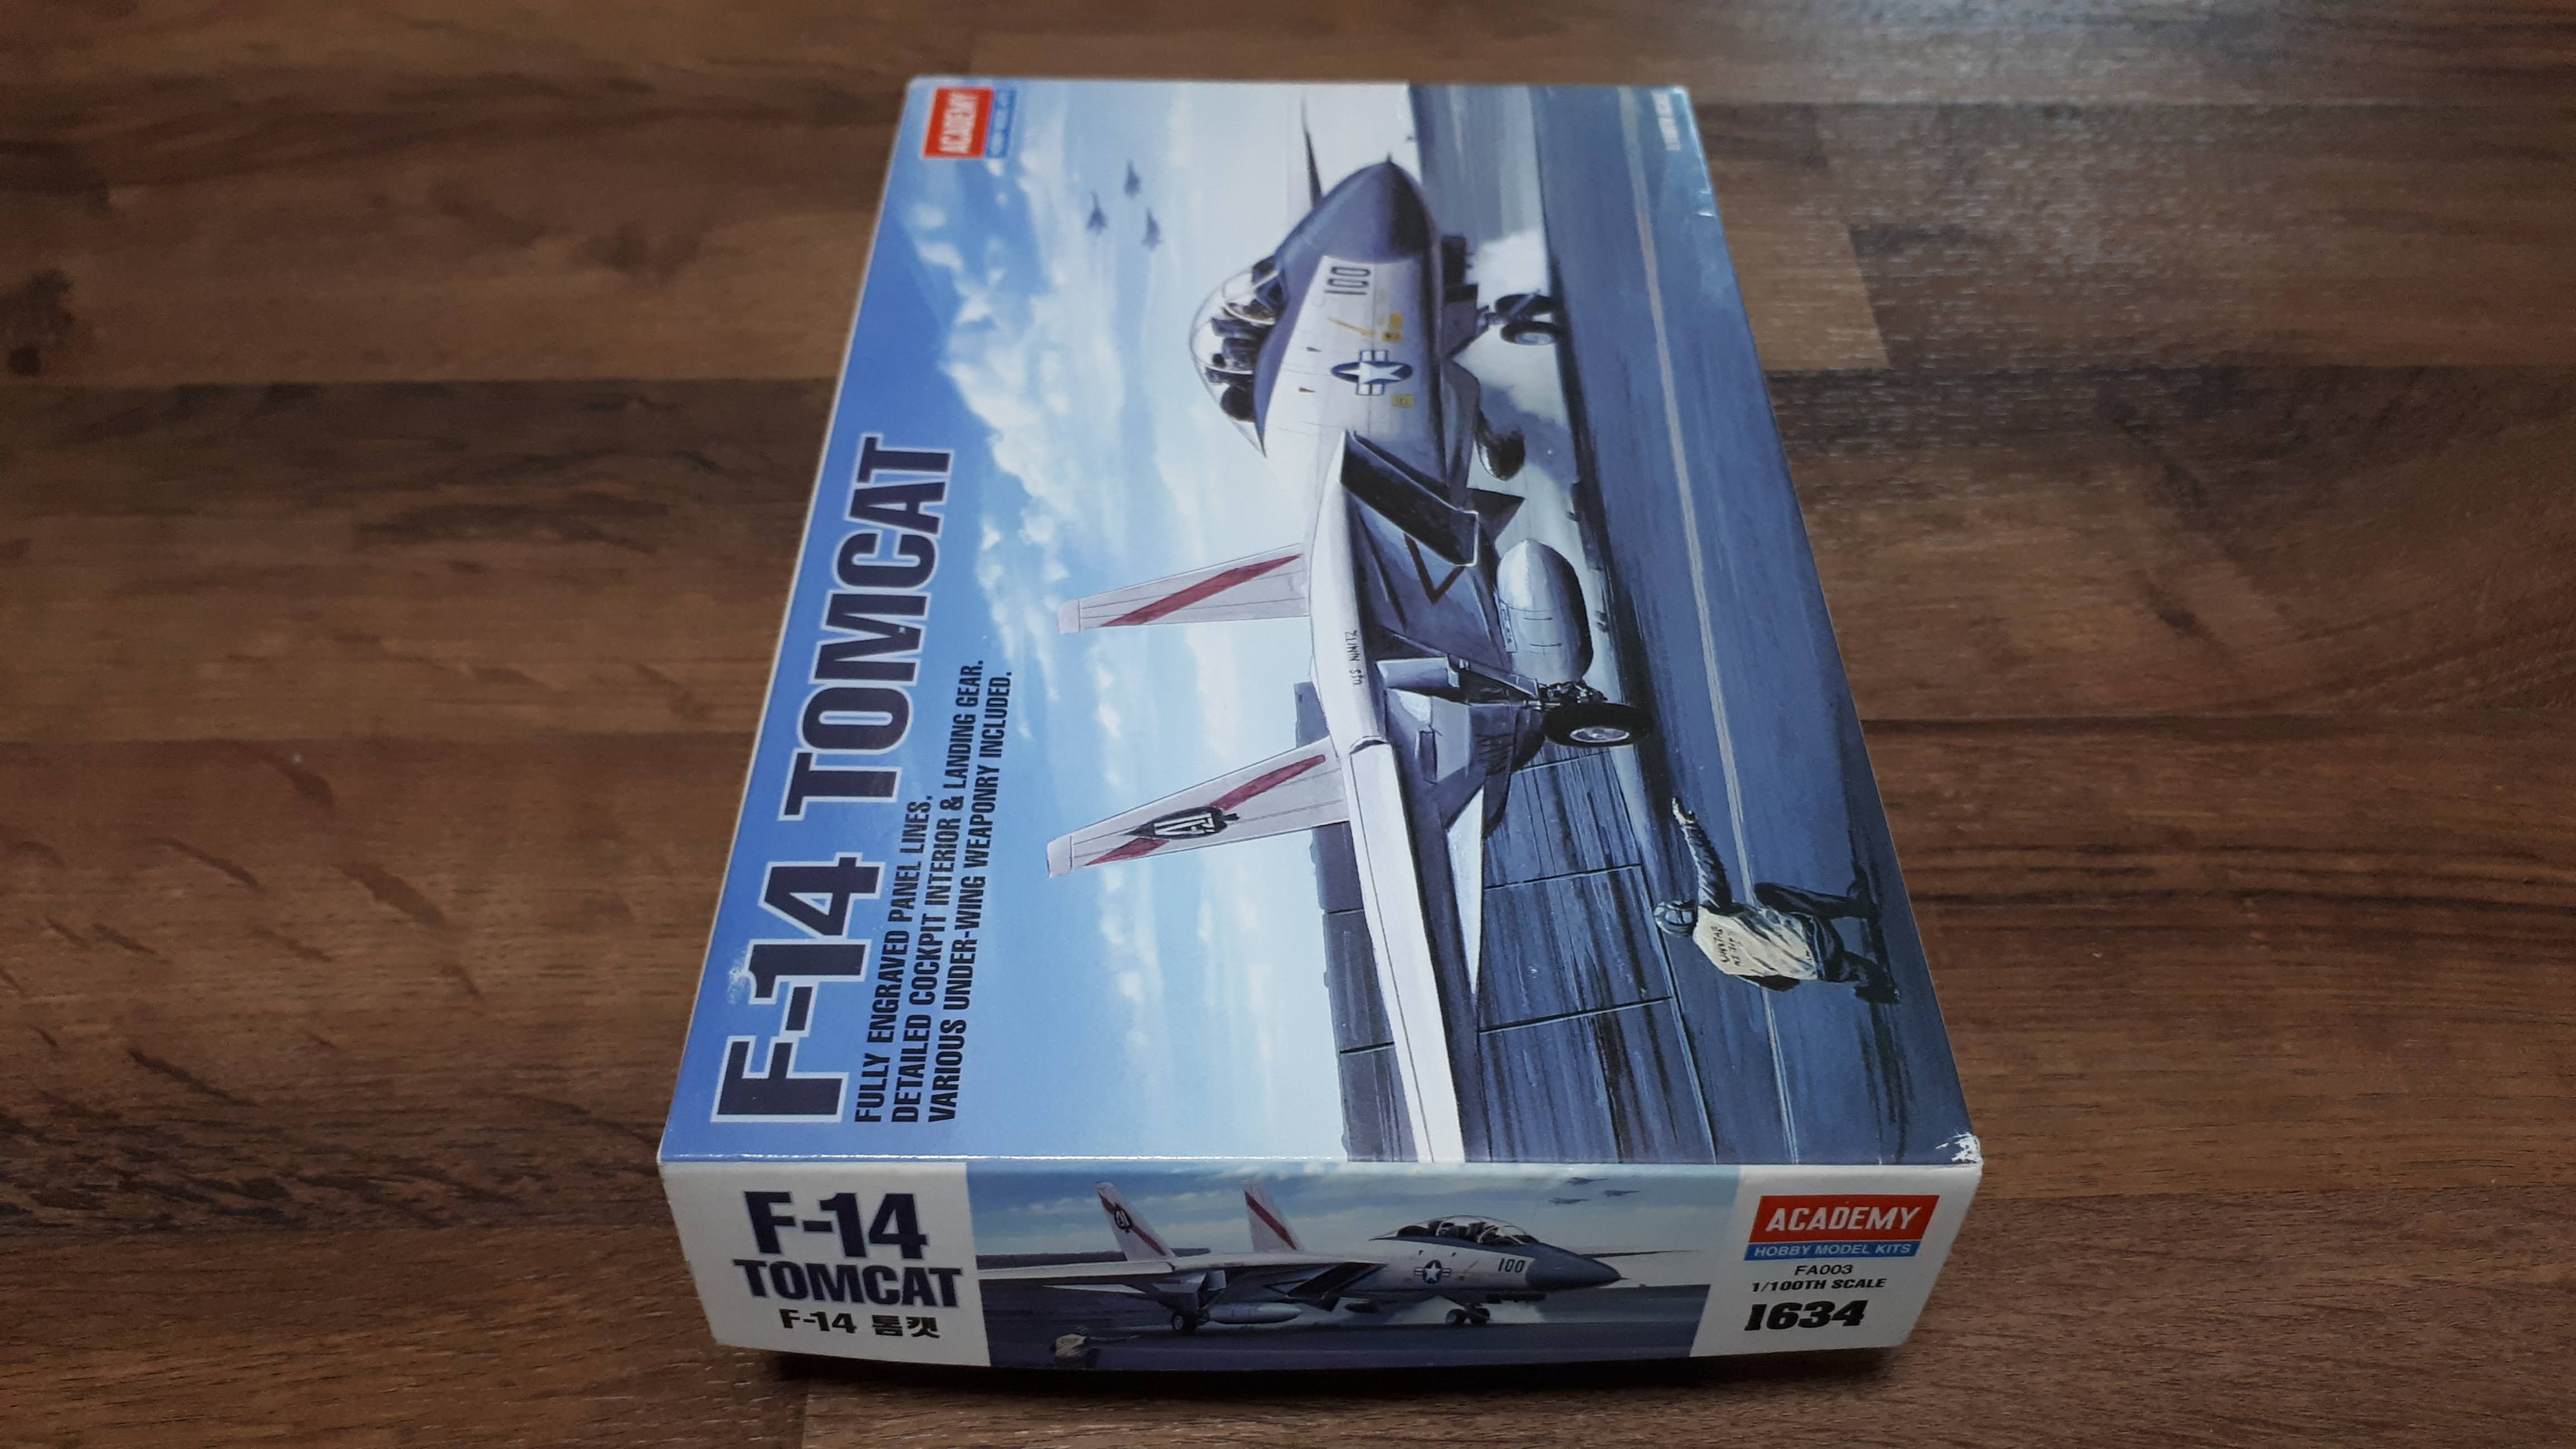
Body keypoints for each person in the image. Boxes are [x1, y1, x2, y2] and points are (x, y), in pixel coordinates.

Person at [1652, 798, 1898, 1003]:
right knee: (1765, 892)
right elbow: (1709, 868)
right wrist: (1689, 827)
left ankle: (1878, 987)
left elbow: (1780, 984)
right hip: (1813, 934)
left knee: (1860, 971)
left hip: (1818, 968)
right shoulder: (1709, 912)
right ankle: (1858, 908)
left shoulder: (1718, 962)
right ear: (1683, 908)